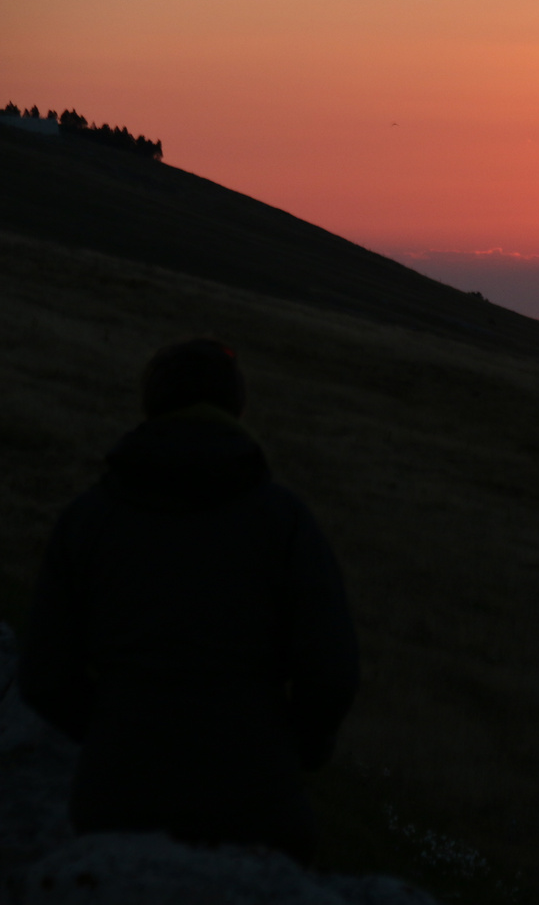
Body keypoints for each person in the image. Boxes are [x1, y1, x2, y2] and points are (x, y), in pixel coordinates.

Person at [19, 338, 359, 864]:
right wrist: (295, 750)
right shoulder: (282, 521)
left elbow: (43, 674)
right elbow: (331, 672)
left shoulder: (88, 520)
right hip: (257, 799)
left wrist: (116, 729)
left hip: (117, 796)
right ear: (237, 408)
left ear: (150, 405)